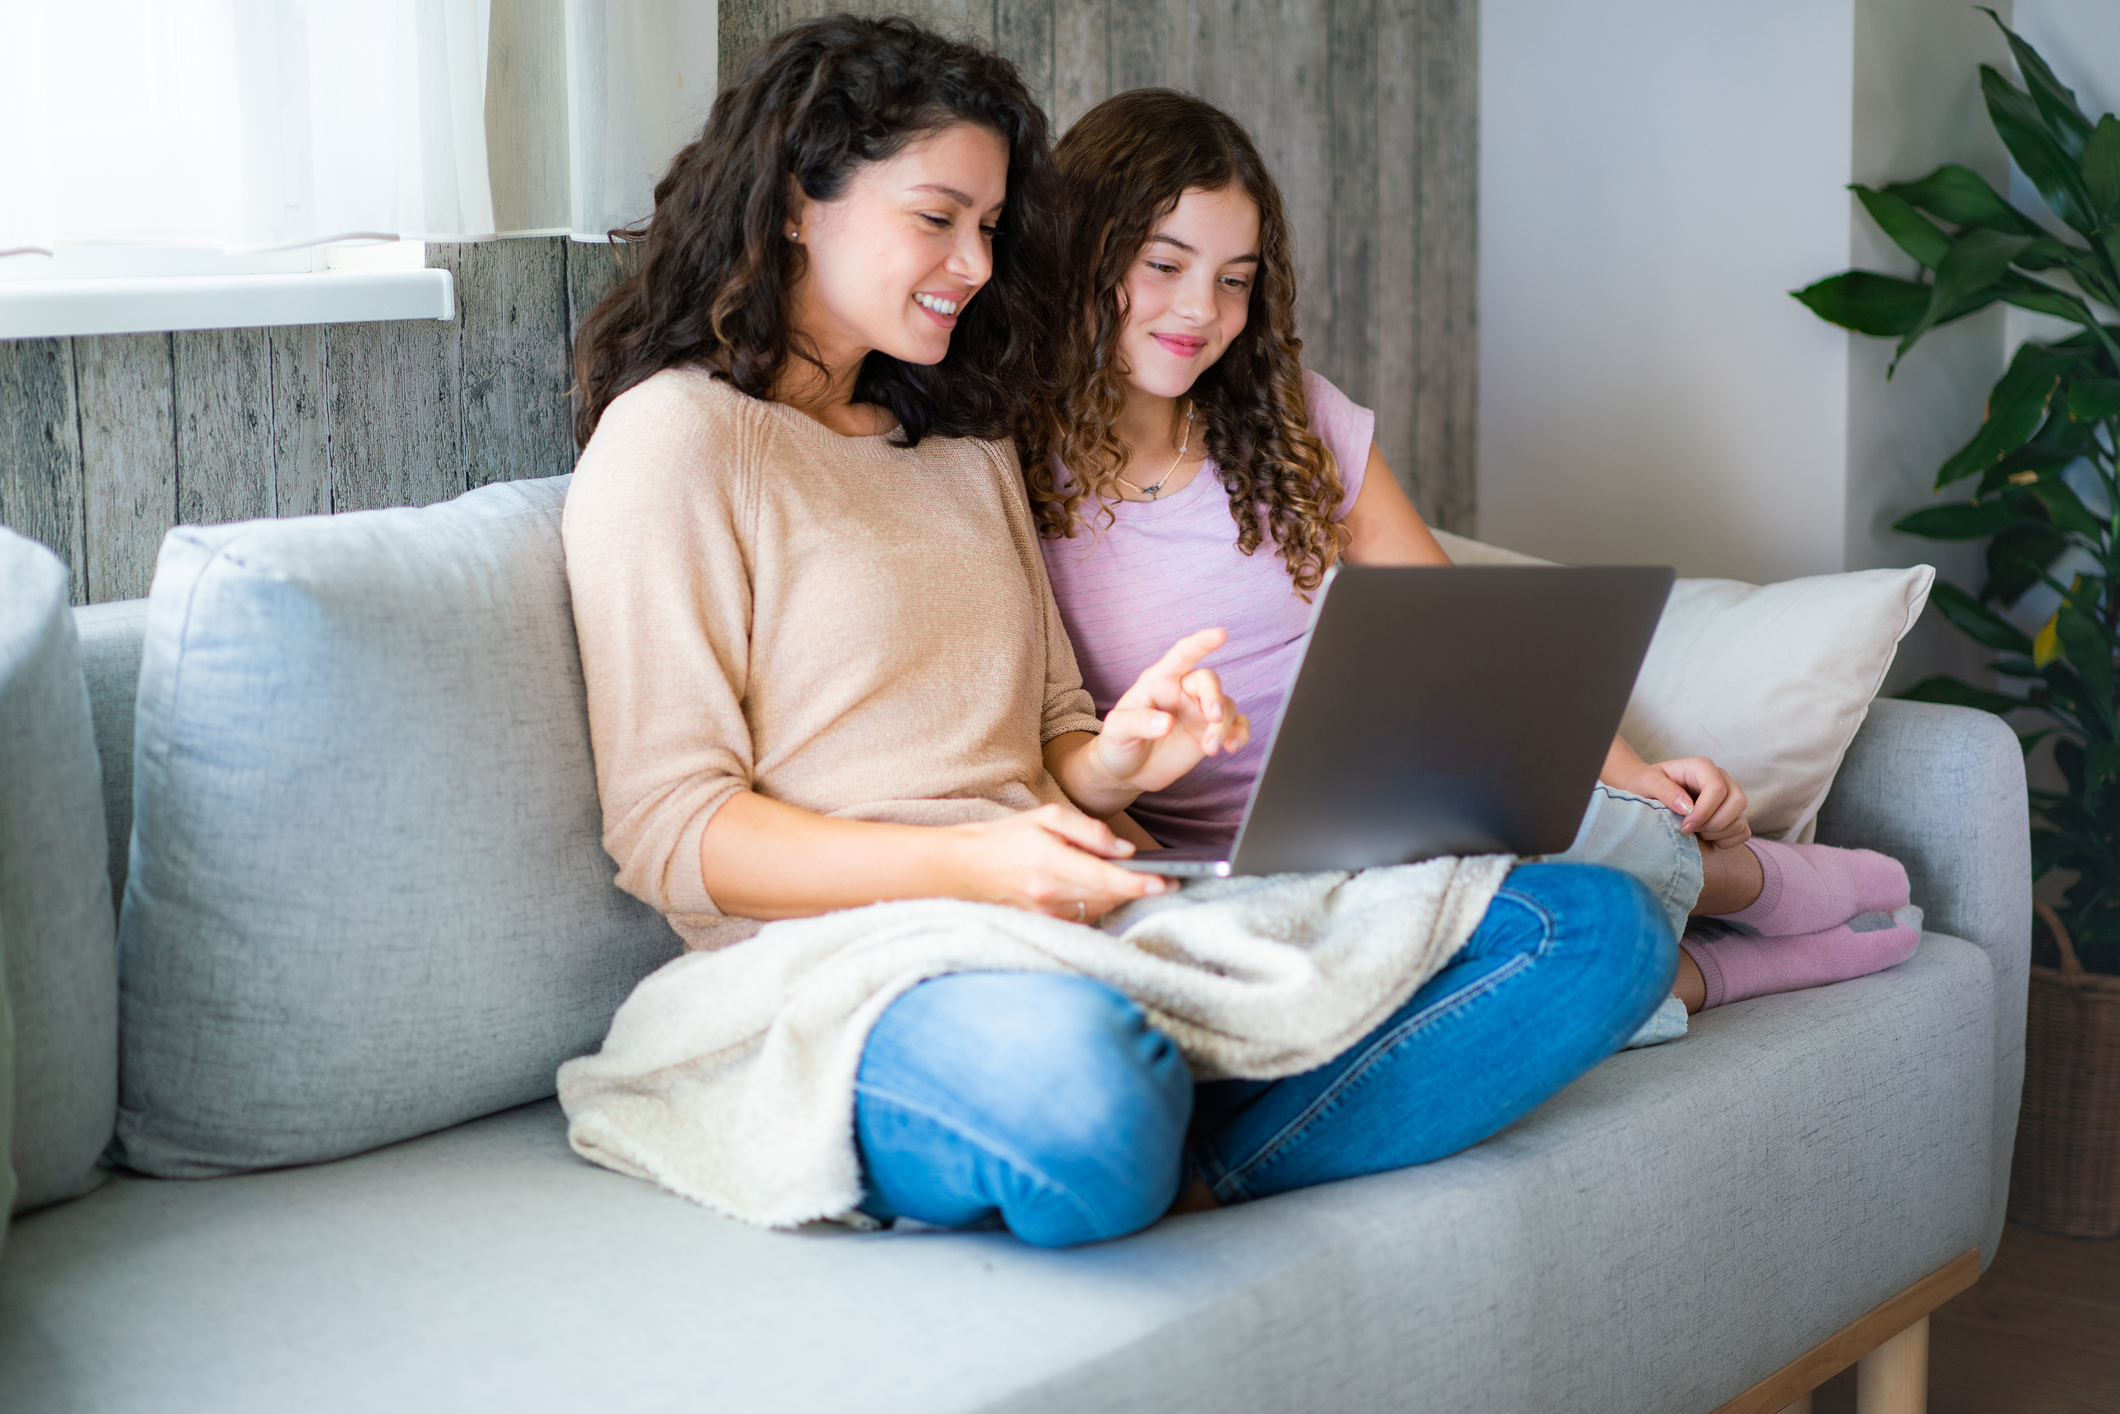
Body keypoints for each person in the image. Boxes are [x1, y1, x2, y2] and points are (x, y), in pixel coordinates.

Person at [562, 17, 1670, 1249]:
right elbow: (672, 832)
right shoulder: (678, 440)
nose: (974, 264)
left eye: (988, 227)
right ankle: (1179, 1120)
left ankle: (1200, 1163)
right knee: (1087, 1091)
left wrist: (1117, 760)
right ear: (792, 205)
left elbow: (1047, 741)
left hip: (1064, 914)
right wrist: (978, 869)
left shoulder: (961, 448)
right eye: (937, 218)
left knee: (1594, 929)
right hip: (848, 968)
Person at [1033, 88, 1921, 1023]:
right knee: (1462, 997)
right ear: (1082, 247)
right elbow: (1057, 752)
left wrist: (1635, 775)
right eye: (1164, 263)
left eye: (1234, 279)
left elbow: (1454, 631)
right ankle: (1728, 971)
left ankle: (1761, 886)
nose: (1199, 310)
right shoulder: (1006, 470)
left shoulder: (1284, 414)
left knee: (1568, 829)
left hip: (1408, 800)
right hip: (1245, 876)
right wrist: (1170, 893)